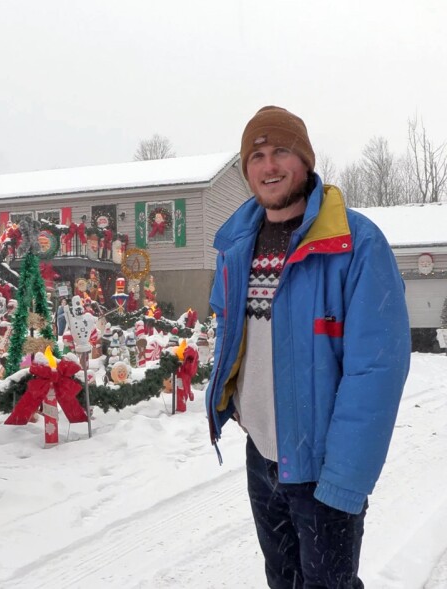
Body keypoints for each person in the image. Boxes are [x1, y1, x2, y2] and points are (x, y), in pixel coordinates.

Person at [205, 106, 410, 588]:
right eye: (256, 154)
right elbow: (227, 329)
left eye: (281, 151)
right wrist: (234, 404)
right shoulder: (238, 247)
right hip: (264, 457)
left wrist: (342, 480)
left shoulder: (355, 244)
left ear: (306, 161)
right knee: (283, 582)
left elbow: (375, 373)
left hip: (323, 466)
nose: (268, 165)